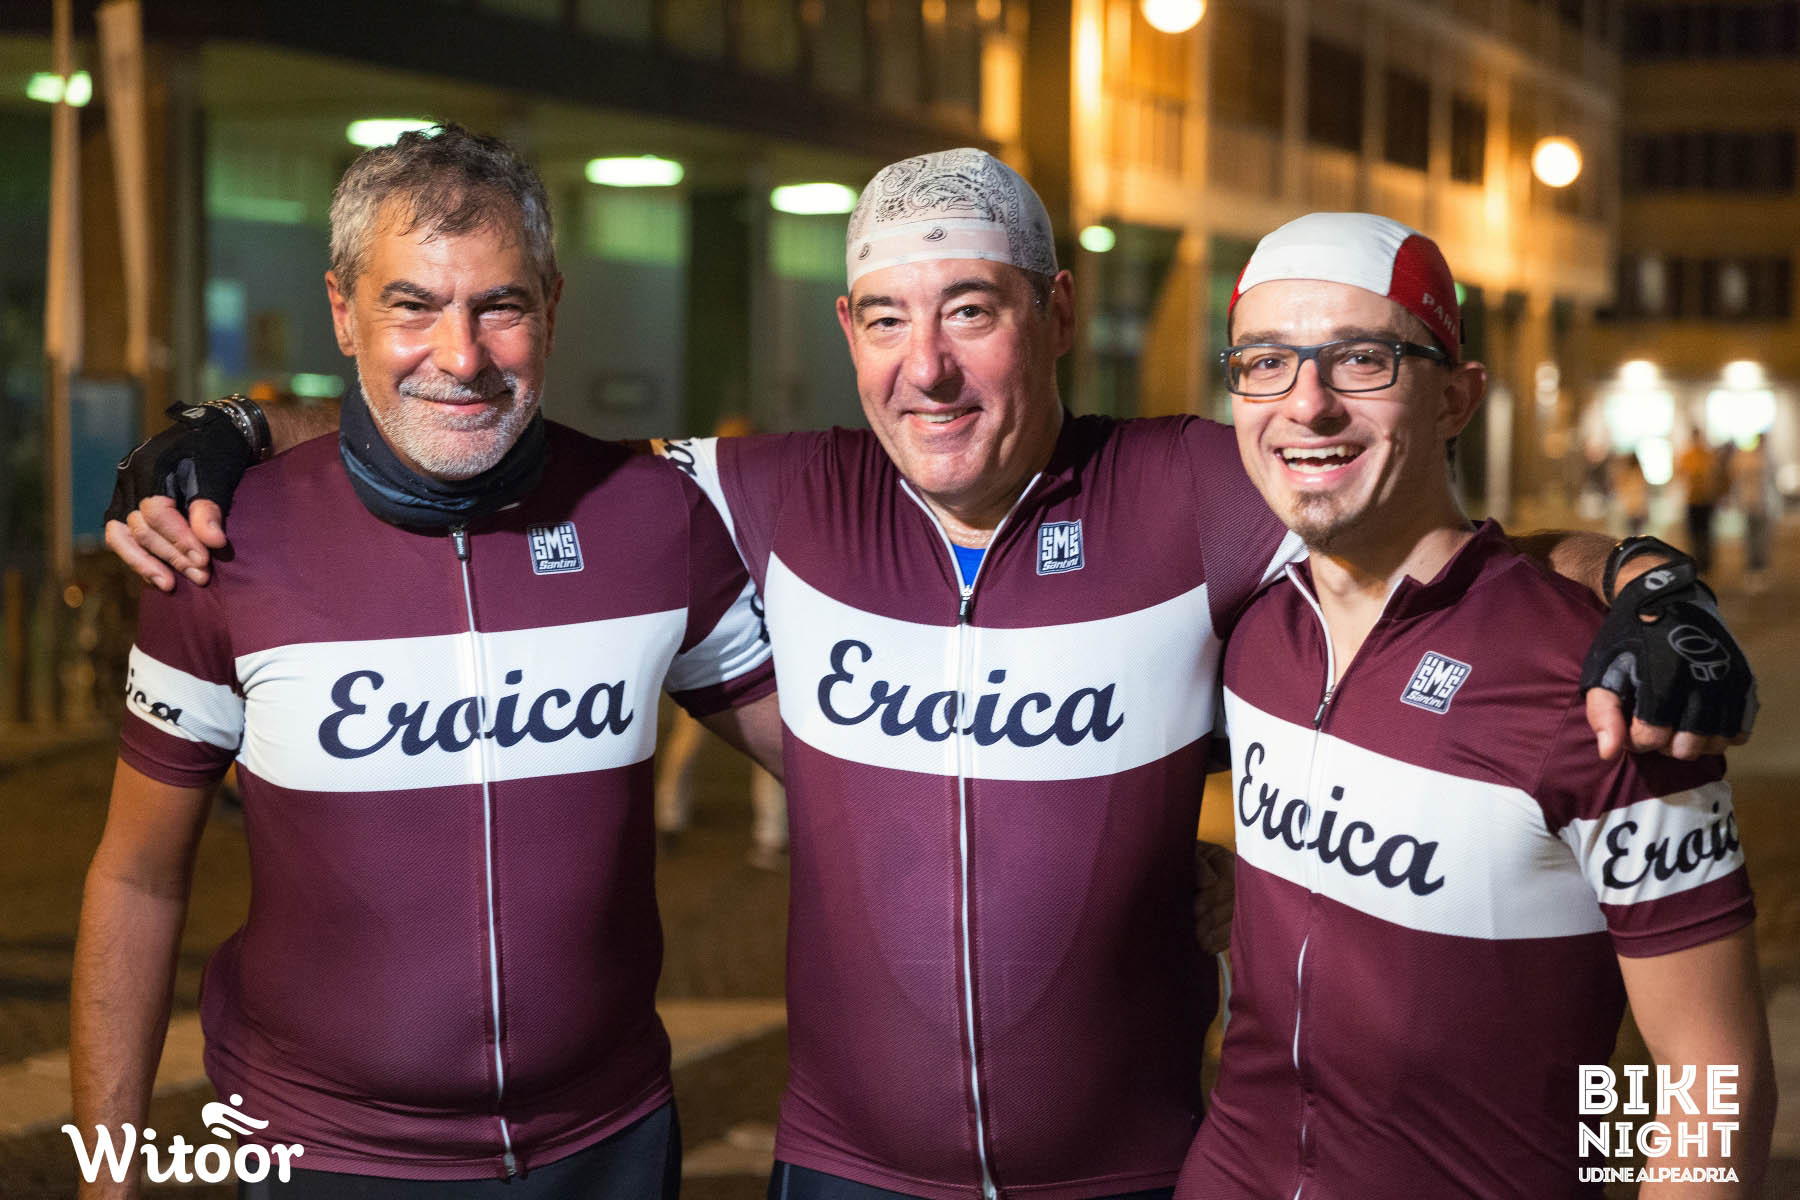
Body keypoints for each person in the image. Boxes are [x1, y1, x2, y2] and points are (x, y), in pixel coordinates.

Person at [103, 151, 1758, 1200]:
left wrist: (1646, 576)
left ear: (1056, 313)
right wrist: (240, 429)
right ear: (847, 334)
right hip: (832, 1168)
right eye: (888, 320)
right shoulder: (763, 492)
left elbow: (1418, 520)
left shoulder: (1198, 483)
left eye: (972, 311)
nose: (931, 367)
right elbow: (477, 423)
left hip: (1140, 1170)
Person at [73, 125, 780, 1198]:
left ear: (552, 305)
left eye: (500, 306)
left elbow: (844, 772)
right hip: (318, 1154)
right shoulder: (223, 546)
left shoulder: (651, 517)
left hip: (607, 1149)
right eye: (412, 305)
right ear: (342, 311)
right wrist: (105, 1182)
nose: (460, 355)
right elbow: (134, 878)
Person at [1175, 213, 1773, 1198]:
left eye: (1362, 360)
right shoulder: (1251, 628)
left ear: (1457, 398)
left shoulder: (1602, 681)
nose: (1307, 404)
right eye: (1266, 363)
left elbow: (1715, 1077)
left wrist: (1650, 578)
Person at [1675, 425, 1726, 573]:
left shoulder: (1705, 455)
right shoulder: (1690, 455)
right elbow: (1681, 474)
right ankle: (1698, 562)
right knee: (1696, 534)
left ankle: (1706, 563)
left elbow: (1714, 476)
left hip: (1704, 500)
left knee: (1705, 533)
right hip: (1694, 500)